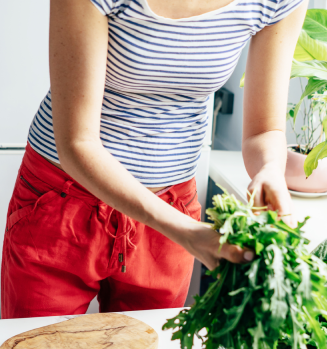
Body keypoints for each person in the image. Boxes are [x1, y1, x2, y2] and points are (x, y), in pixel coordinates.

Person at [2, 0, 307, 319]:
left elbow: (264, 131)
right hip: (64, 201)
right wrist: (187, 232)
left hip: (171, 210)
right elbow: (78, 143)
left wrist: (270, 170)